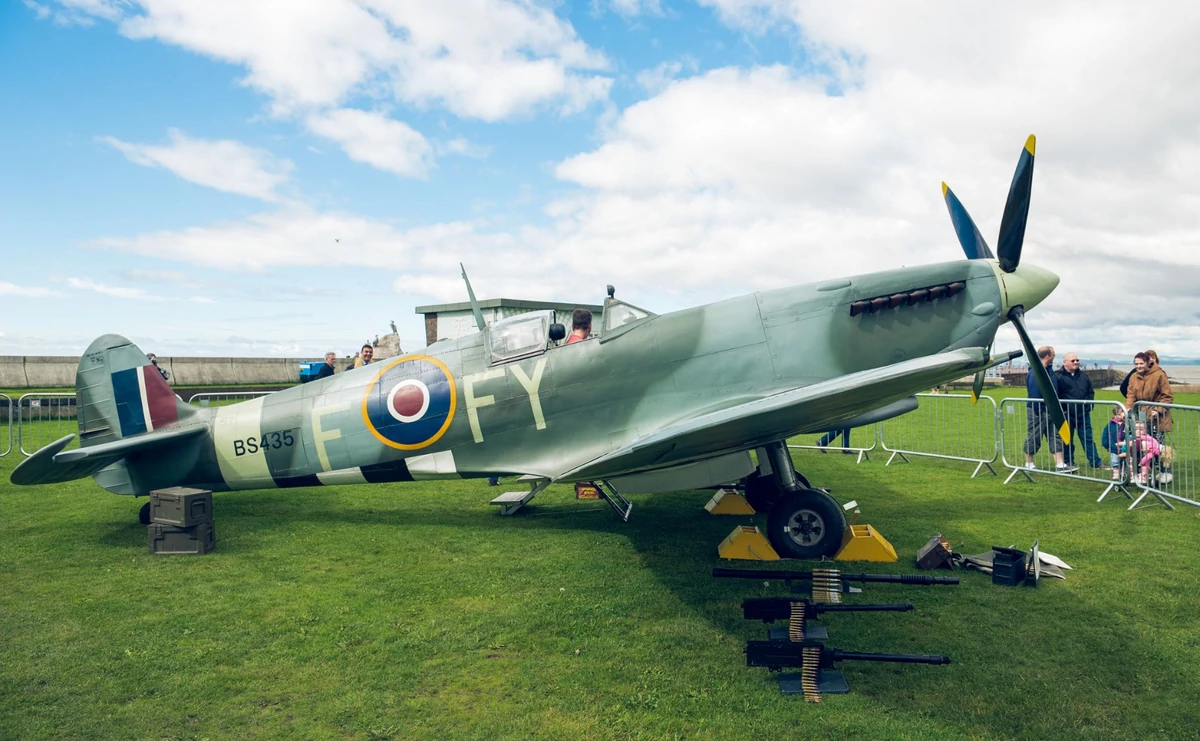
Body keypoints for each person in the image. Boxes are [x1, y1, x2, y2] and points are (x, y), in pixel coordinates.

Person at [1023, 346, 1074, 472]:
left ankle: (1060, 464)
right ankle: (1029, 463)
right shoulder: (1035, 372)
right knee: (1034, 435)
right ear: (1047, 356)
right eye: (1053, 355)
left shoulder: (1049, 371)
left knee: (1055, 435)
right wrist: (1038, 410)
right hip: (1038, 410)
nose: (1054, 357)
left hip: (1051, 409)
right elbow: (1034, 393)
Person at [1126, 350, 1174, 484]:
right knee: (1144, 446)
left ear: (1148, 363)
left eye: (1141, 363)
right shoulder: (1134, 377)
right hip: (1141, 417)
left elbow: (1167, 396)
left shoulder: (1159, 375)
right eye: (1136, 364)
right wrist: (1128, 408)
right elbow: (1131, 394)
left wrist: (1157, 409)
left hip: (1159, 418)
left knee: (1160, 446)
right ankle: (1146, 473)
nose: (1138, 366)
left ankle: (1166, 472)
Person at [1055, 353, 1102, 468]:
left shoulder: (1084, 376)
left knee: (1088, 438)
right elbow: (1056, 394)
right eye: (1073, 360)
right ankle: (1068, 461)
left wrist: (1089, 406)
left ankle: (1096, 462)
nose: (1076, 362)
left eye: (1077, 360)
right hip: (1067, 414)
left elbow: (1090, 392)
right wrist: (1063, 409)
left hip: (1083, 414)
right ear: (1065, 362)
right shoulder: (1058, 377)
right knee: (1067, 439)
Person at [1100, 406, 1128, 482]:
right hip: (1113, 446)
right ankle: (1116, 471)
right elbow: (1105, 435)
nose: (1119, 416)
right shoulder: (1110, 424)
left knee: (1126, 459)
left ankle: (1125, 471)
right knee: (1115, 460)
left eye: (1121, 414)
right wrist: (1106, 444)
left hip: (1125, 446)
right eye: (1117, 414)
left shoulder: (1127, 424)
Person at [1130, 421, 1161, 486]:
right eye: (1136, 429)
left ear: (1145, 430)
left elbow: (1154, 445)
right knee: (1129, 460)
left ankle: (1143, 476)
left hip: (1145, 456)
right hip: (1132, 455)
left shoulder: (1148, 438)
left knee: (1146, 460)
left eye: (1141, 429)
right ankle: (1132, 475)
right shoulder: (1130, 438)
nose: (1138, 431)